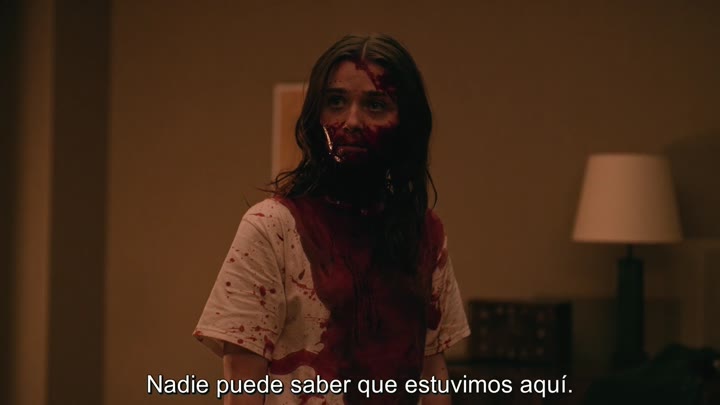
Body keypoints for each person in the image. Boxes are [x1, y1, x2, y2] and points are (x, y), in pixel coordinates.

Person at [193, 33, 470, 405]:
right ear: (314, 116)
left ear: (405, 123)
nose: (351, 121)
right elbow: (242, 384)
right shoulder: (272, 228)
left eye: (375, 105)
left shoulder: (424, 233)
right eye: (336, 102)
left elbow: (432, 371)